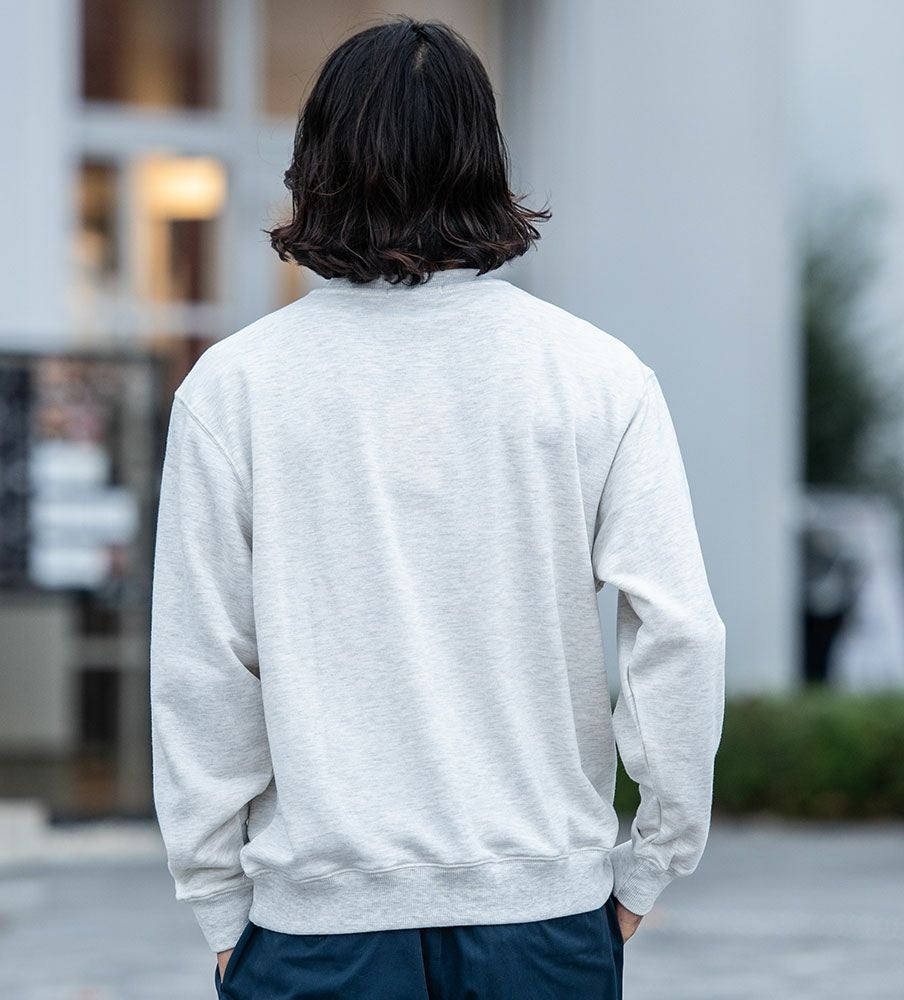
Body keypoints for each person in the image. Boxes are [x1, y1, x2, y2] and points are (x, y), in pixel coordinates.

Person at [150, 16, 726, 999]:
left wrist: (216, 902)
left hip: (316, 929)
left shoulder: (234, 389)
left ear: (316, 163)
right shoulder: (597, 378)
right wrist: (650, 865)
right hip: (541, 919)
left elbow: (202, 666)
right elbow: (678, 633)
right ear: (484, 161)